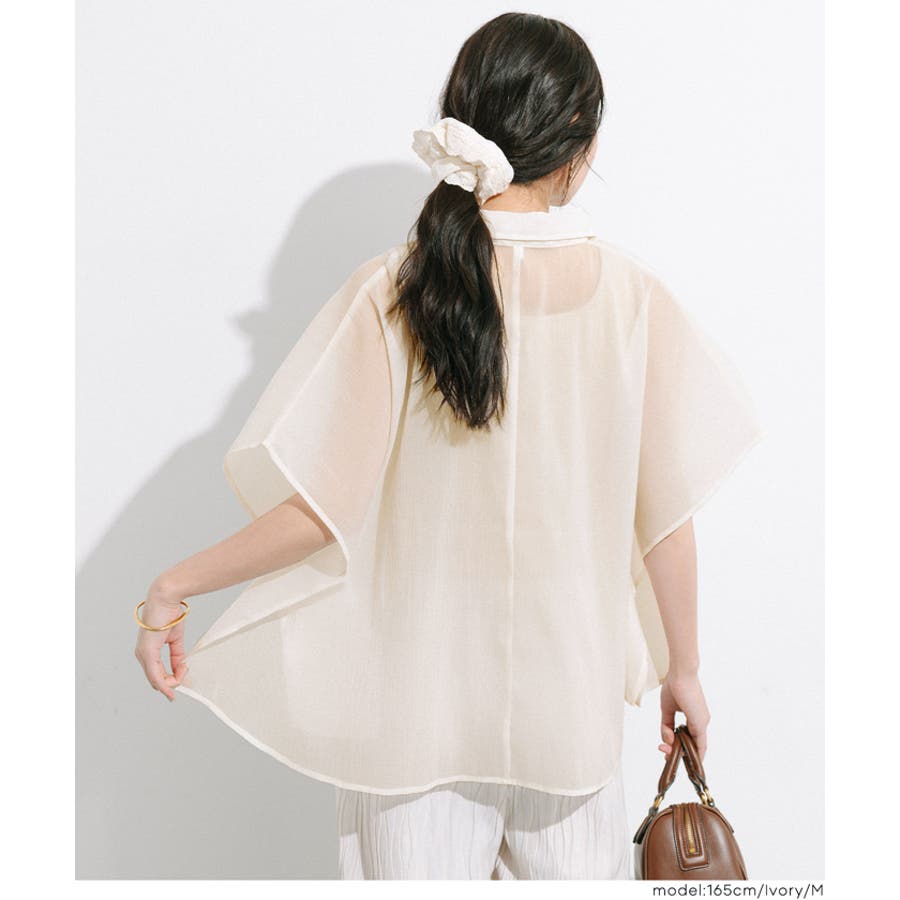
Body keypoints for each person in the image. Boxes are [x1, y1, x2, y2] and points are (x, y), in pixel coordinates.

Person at [133, 11, 762, 881]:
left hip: (410, 729)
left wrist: (172, 587)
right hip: (567, 724)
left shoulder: (398, 288)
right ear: (578, 140)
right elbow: (666, 516)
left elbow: (322, 511)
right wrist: (683, 669)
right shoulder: (631, 298)